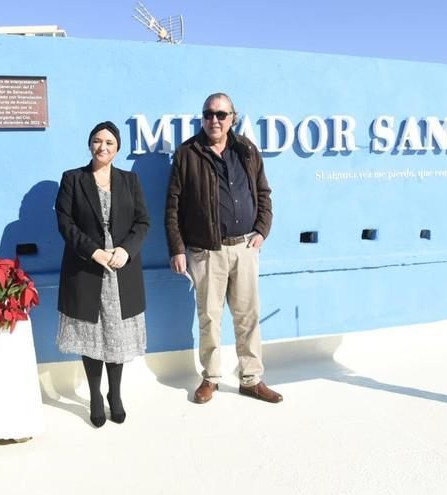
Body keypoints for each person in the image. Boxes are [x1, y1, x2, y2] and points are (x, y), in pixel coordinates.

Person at [165, 93, 283, 404]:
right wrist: (177, 248)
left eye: (220, 114)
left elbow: (263, 192)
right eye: (208, 114)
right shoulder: (188, 152)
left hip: (244, 247)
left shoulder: (246, 149)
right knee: (209, 317)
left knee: (248, 316)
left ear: (233, 117)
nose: (213, 120)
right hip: (206, 251)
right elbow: (172, 205)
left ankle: (250, 378)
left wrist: (262, 230)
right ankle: (211, 378)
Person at [55, 121, 150, 427]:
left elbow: (142, 222)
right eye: (97, 141)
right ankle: (95, 394)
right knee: (92, 336)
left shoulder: (130, 180)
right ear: (89, 144)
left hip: (122, 268)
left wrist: (126, 250)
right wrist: (93, 251)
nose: (103, 147)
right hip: (87, 267)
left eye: (109, 142)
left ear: (117, 148)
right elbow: (65, 223)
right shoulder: (73, 179)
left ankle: (115, 394)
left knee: (116, 334)